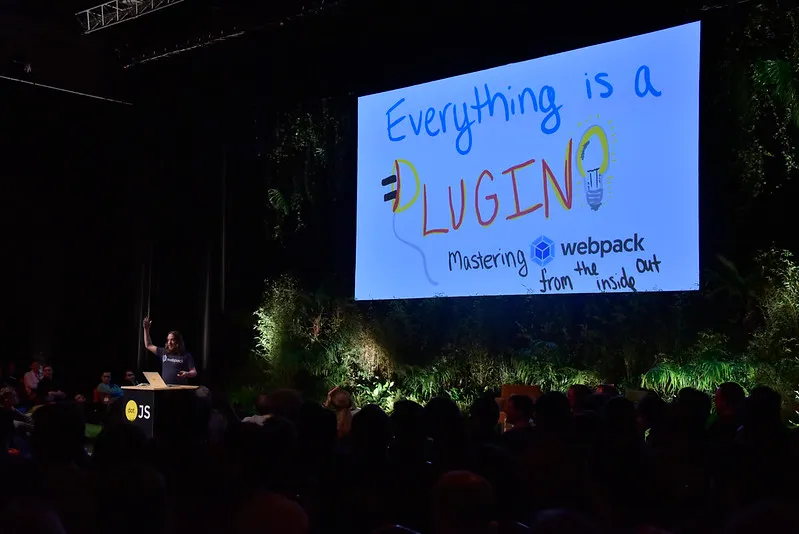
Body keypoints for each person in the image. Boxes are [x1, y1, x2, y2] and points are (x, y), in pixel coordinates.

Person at [142, 316, 197, 385]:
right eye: (168, 340)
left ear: (178, 342)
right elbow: (148, 345)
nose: (169, 342)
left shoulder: (186, 355)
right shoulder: (163, 352)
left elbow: (194, 372)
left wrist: (187, 374)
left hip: (180, 389)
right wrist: (146, 329)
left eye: (172, 340)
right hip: (165, 388)